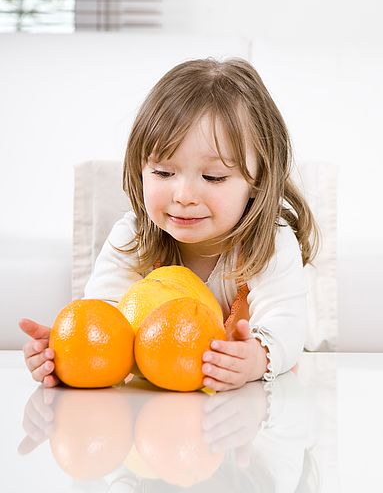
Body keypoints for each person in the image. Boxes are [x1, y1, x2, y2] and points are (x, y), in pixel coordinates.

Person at [19, 57, 319, 391]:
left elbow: (288, 327)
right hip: (151, 414)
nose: (184, 195)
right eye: (163, 173)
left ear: (258, 180)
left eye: (213, 176)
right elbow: (105, 317)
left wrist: (255, 357)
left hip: (244, 418)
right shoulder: (135, 236)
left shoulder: (270, 243)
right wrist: (68, 353)